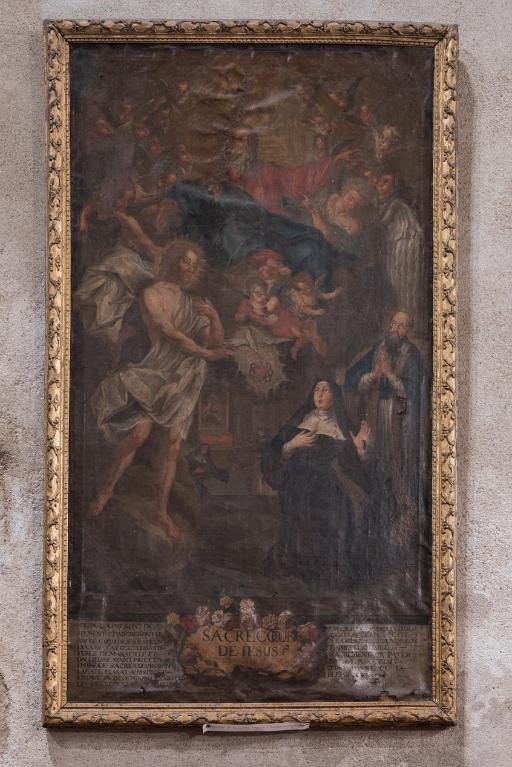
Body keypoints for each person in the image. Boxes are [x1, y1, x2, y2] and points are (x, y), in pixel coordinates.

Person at [88, 239, 233, 539]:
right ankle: (105, 490)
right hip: (157, 371)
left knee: (173, 445)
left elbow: (216, 341)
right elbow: (169, 333)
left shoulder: (192, 302)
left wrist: (215, 317)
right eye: (185, 260)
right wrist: (207, 354)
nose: (189, 268)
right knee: (137, 435)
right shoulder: (151, 293)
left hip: (186, 376)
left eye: (193, 264)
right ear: (172, 260)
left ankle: (161, 511)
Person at [262, 380, 370, 589]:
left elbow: (351, 467)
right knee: (303, 517)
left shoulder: (341, 427)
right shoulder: (301, 421)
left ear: (334, 396)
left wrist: (359, 450)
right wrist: (292, 444)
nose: (319, 394)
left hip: (325, 482)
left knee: (340, 513)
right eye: (317, 390)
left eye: (325, 390)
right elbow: (273, 451)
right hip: (297, 482)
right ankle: (299, 568)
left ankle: (327, 572)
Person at [344, 311, 422, 539]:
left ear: (408, 331)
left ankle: (399, 514)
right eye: (393, 324)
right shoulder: (378, 348)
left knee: (394, 462)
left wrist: (388, 374)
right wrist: (373, 375)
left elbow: (414, 391)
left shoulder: (412, 355)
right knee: (371, 459)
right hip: (373, 411)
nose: (395, 329)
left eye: (401, 326)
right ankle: (371, 512)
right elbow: (351, 379)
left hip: (398, 416)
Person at [374, 172, 427, 332]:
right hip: (393, 249)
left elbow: (382, 223)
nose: (380, 185)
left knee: (402, 285)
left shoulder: (397, 205)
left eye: (386, 182)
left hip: (403, 250)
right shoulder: (381, 203)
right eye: (379, 181)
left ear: (394, 186)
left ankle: (406, 324)